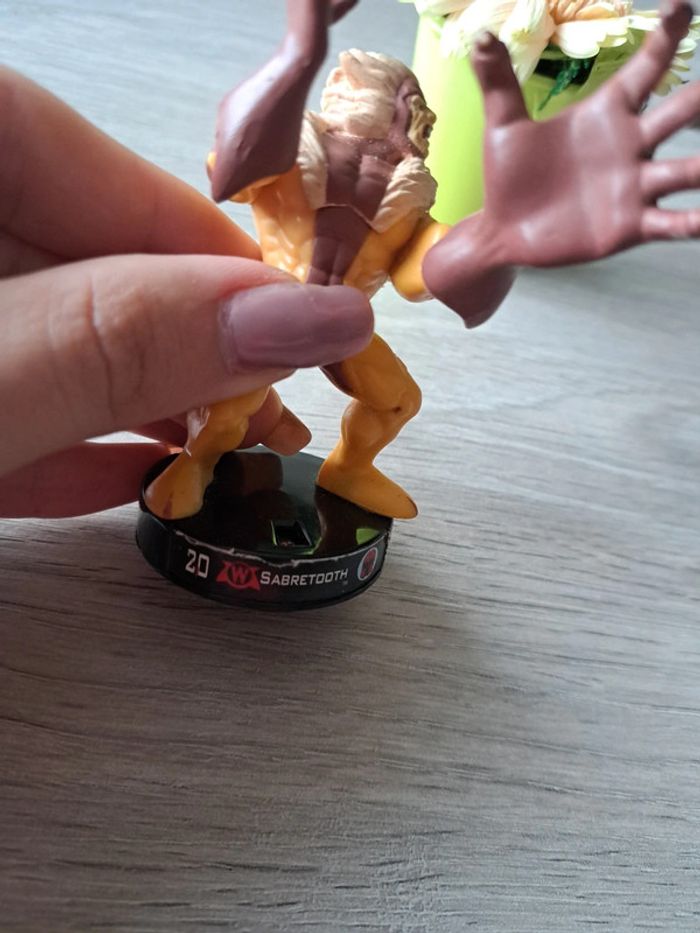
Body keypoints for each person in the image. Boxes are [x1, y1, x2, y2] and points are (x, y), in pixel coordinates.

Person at [0, 67, 374, 519]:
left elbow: (417, 276)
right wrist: (293, 69)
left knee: (397, 399)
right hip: (269, 307)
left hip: (342, 326)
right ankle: (193, 467)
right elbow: (229, 174)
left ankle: (351, 469)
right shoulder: (300, 160)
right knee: (224, 415)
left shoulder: (399, 198)